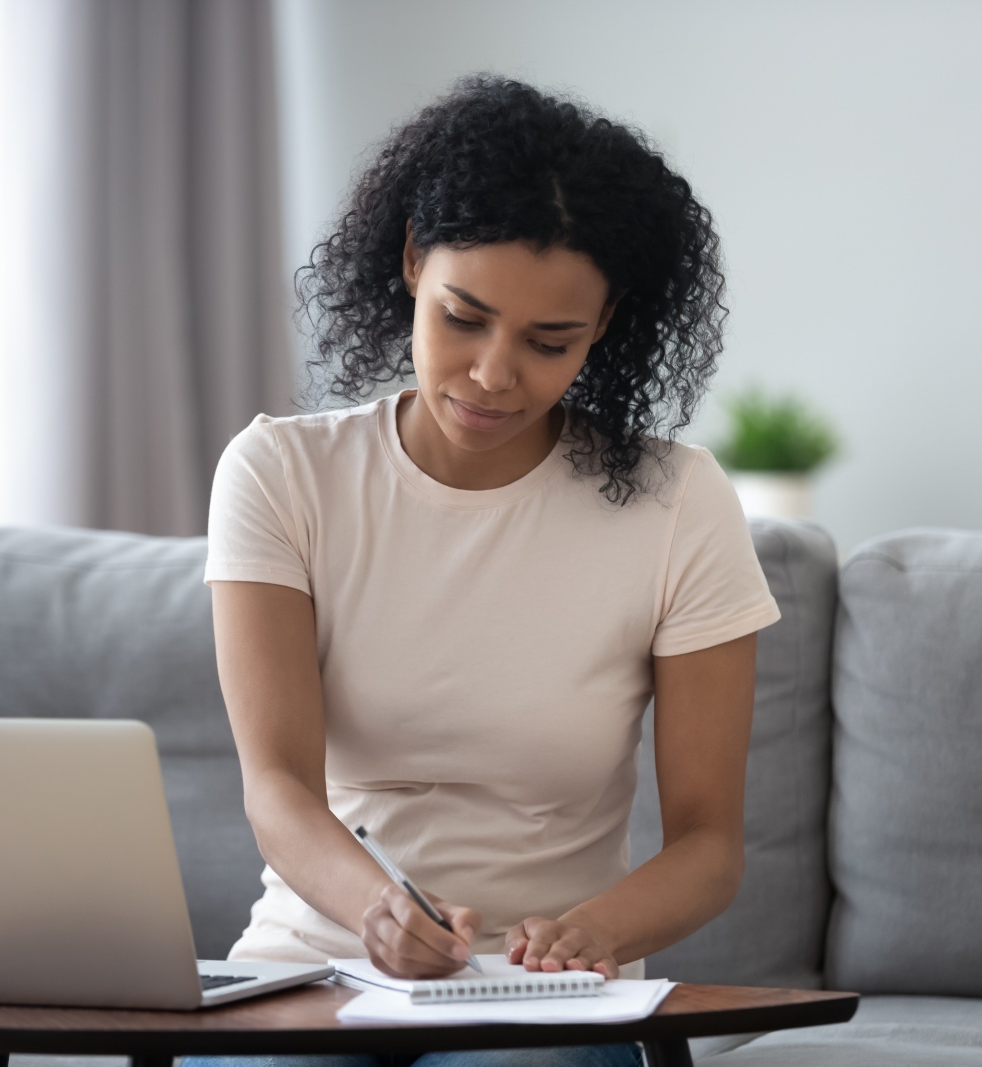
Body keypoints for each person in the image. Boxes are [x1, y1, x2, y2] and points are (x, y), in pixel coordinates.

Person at [191, 73, 781, 1067]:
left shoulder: (676, 502)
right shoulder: (280, 473)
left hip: (546, 997)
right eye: (464, 318)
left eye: (549, 342)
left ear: (605, 325)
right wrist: (379, 909)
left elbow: (707, 847)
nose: (494, 373)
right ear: (414, 259)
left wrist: (596, 929)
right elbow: (278, 787)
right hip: (315, 967)